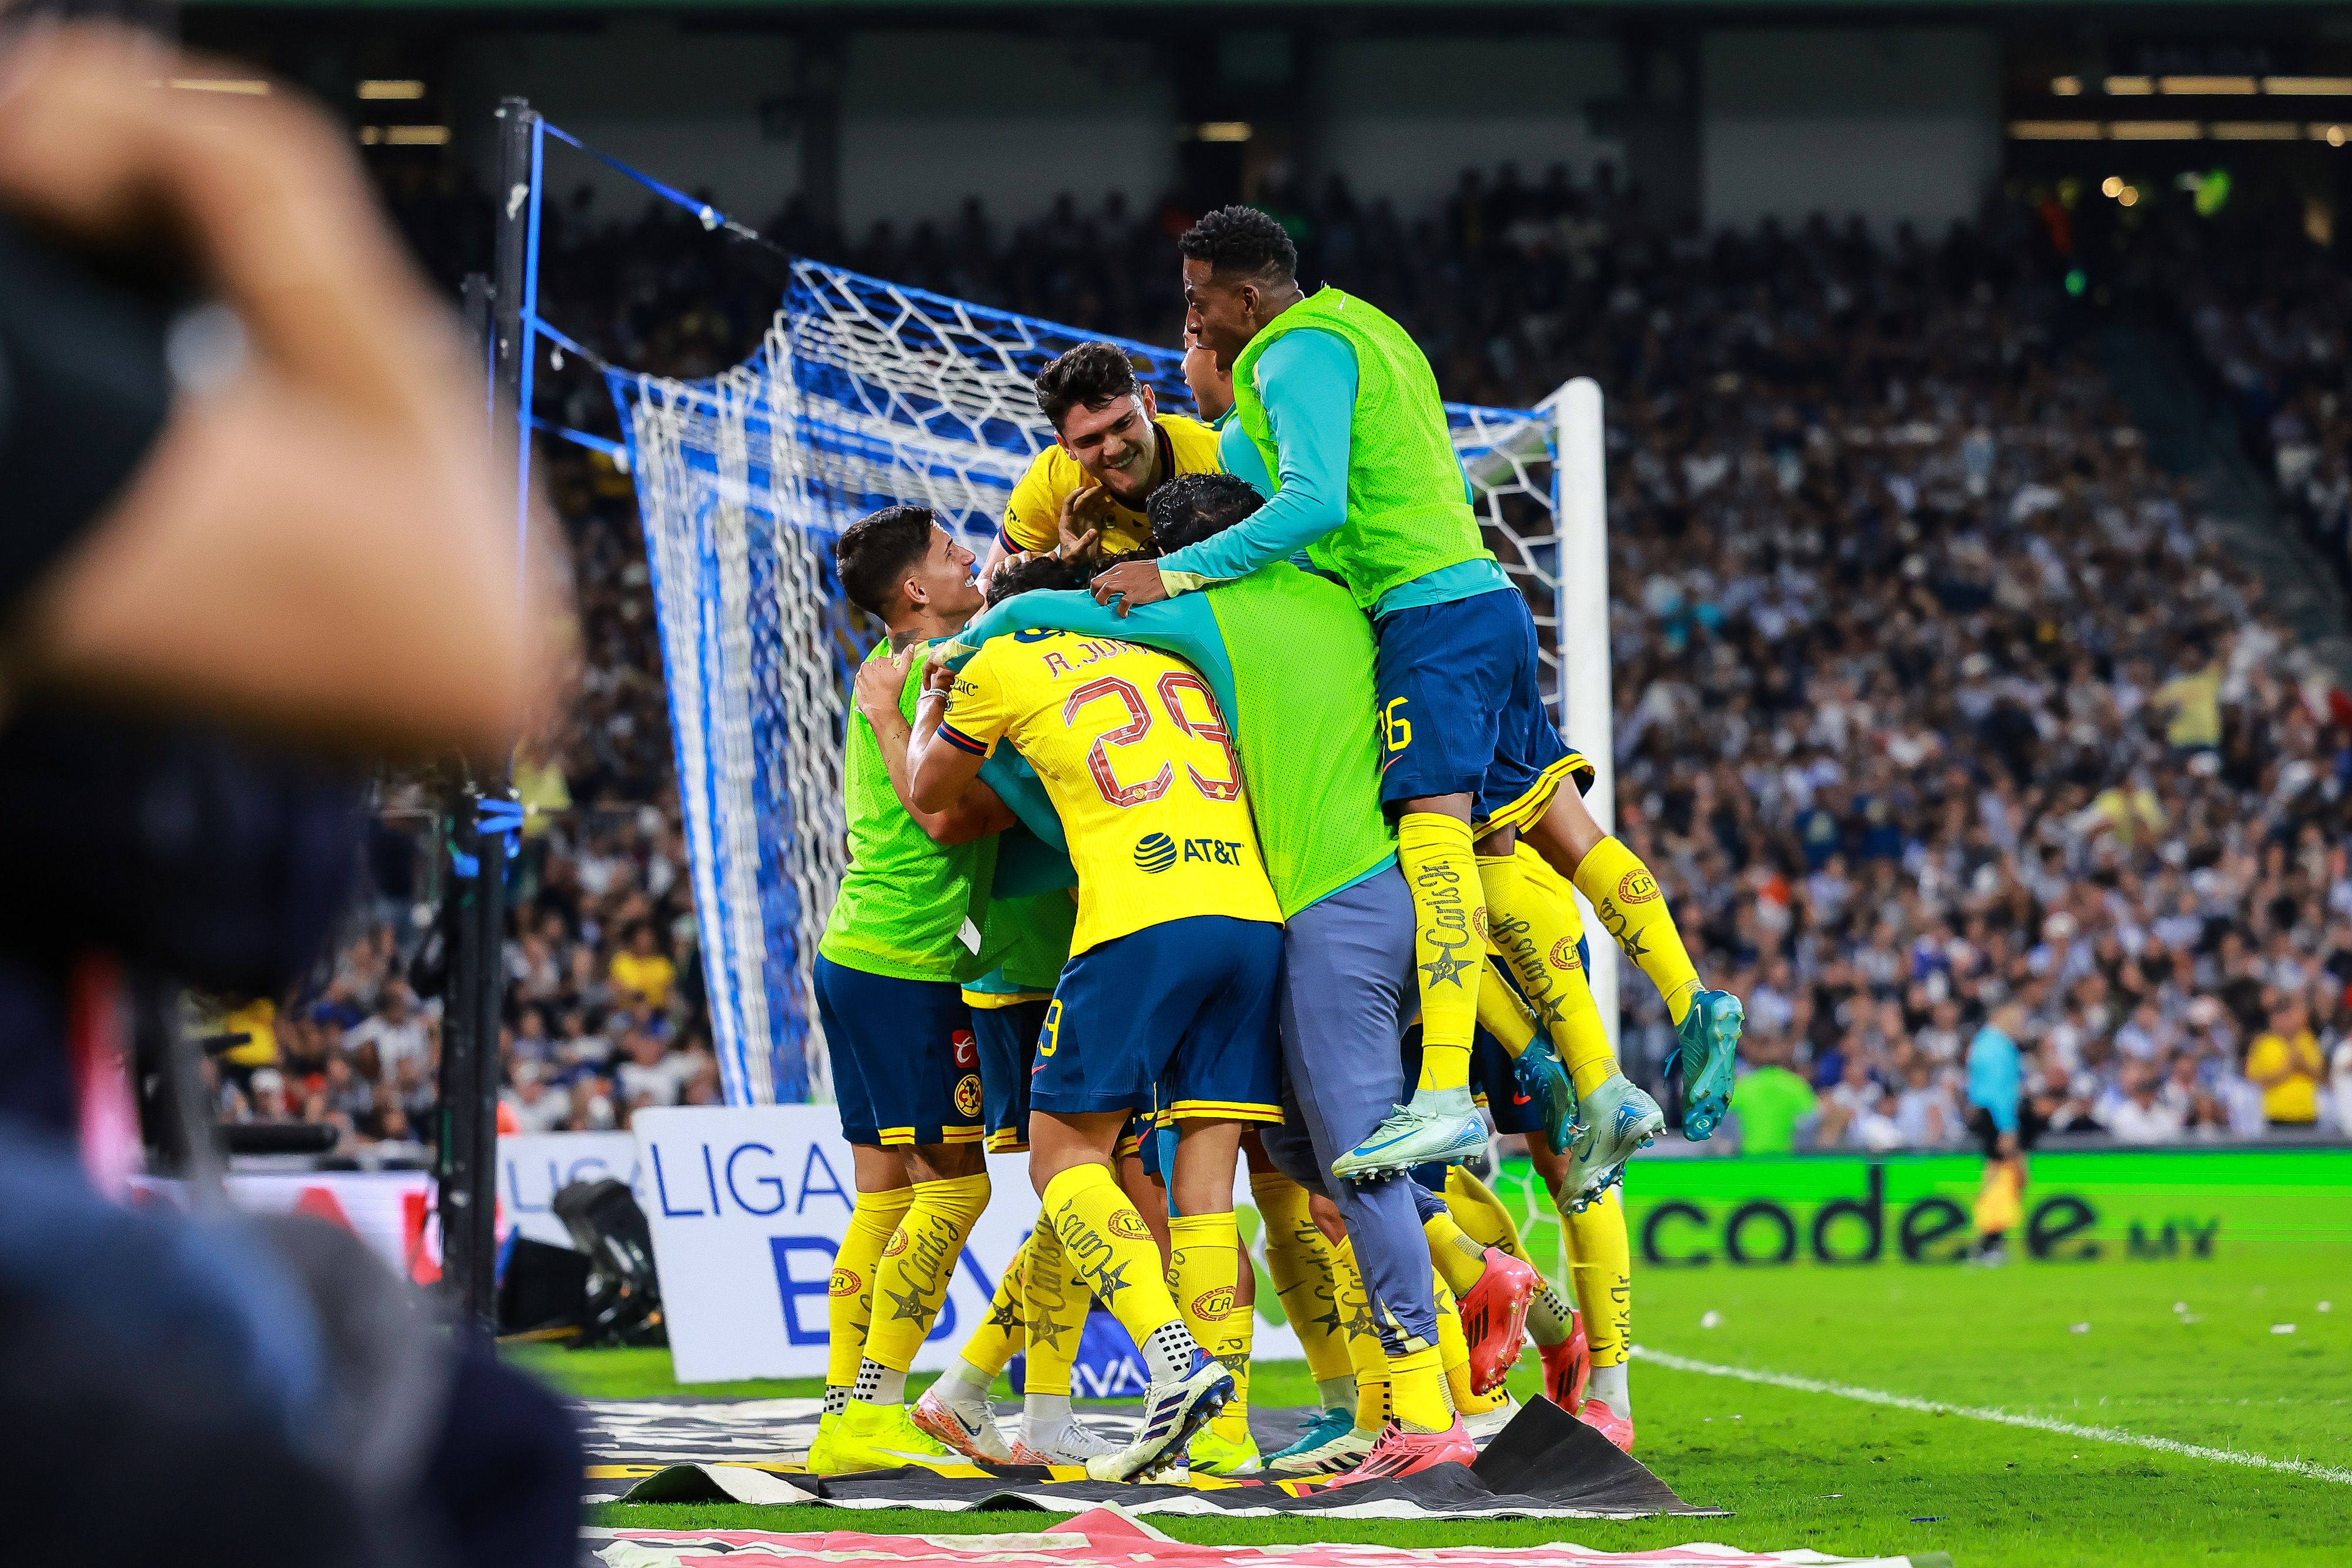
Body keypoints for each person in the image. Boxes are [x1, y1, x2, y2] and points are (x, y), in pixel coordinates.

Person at [1090, 206, 1742, 1203]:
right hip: (1486, 598)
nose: (1191, 318)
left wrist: (1173, 573)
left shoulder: (1287, 355)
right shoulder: (1367, 327)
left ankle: (1443, 1086)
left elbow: (1312, 506)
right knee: (1562, 831)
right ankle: (1663, 1024)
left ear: (1246, 298)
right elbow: (1310, 481)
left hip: (1425, 619)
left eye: (1197, 300)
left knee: (1430, 840)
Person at [935, 474, 1507, 1478]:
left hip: (1312, 904)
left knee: (1347, 1164)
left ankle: (1426, 1406)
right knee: (1280, 1155)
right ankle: (1439, 1299)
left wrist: (987, 624)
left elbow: (1029, 638)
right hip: (1363, 894)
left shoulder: (1207, 617)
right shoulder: (1336, 594)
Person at [907, 556, 1289, 1485]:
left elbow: (929, 793)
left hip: (1136, 920)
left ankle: (1172, 1364)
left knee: (1061, 1159)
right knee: (1199, 1188)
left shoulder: (999, 658)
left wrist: (921, 701)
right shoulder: (1166, 657)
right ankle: (1218, 1429)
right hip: (1252, 917)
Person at [805, 507, 1014, 1475]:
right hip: (908, 964)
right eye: (948, 550)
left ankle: (845, 1413)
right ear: (914, 593)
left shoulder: (906, 662)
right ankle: (878, 1403)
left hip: (857, 952)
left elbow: (1014, 582)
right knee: (959, 1187)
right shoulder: (941, 673)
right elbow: (943, 819)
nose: (969, 553)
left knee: (882, 1194)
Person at [980, 341, 1223, 575]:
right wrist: (1069, 571)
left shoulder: (1218, 455)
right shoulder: (1052, 481)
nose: (1114, 449)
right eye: (1090, 440)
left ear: (1149, 406)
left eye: (1124, 424)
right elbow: (987, 587)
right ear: (1066, 445)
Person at [1965, 1004, 2041, 1263]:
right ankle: (1991, 1243)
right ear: (1999, 1015)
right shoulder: (1998, 1046)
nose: (2020, 1023)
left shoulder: (1984, 1043)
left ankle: (1990, 1241)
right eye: (2016, 1017)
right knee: (2004, 1180)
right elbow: (2001, 1091)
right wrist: (2007, 1128)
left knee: (1999, 1178)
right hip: (1997, 1119)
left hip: (1989, 1116)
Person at [1730, 1035, 1819, 1155]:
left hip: (1750, 1154)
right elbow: (1813, 1116)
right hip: (1783, 1155)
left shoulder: (1746, 1084)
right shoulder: (1795, 1084)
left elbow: (1726, 1112)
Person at [2244, 1002, 2324, 1129]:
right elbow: (2255, 1079)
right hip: (2277, 1114)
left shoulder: (2307, 1040)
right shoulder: (2262, 1044)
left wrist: (2302, 1064)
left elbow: (2321, 1076)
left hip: (2307, 1113)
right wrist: (2287, 1069)